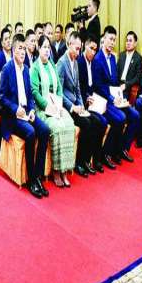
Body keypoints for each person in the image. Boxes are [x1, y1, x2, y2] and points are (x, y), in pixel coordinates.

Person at [0, 34, 51, 198]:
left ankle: (38, 176)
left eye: (24, 48)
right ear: (13, 50)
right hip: (12, 117)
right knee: (30, 132)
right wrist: (16, 109)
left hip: (26, 113)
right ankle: (31, 180)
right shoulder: (7, 69)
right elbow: (2, 98)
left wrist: (32, 109)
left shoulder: (26, 69)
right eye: (19, 48)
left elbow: (30, 96)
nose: (22, 52)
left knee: (45, 130)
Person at [57, 31, 105, 177]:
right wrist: (72, 107)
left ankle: (86, 160)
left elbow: (77, 88)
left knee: (97, 122)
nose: (78, 52)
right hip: (67, 107)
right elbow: (59, 92)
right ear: (69, 45)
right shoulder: (62, 63)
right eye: (76, 49)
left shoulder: (75, 62)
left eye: (80, 49)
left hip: (77, 106)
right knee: (87, 124)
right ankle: (78, 162)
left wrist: (81, 104)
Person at [30, 36, 76, 187]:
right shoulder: (35, 68)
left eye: (48, 47)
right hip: (42, 109)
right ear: (38, 48)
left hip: (56, 106)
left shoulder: (52, 65)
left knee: (69, 123)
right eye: (44, 47)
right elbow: (35, 92)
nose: (46, 50)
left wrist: (59, 105)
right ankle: (56, 171)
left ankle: (65, 170)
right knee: (57, 128)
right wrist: (48, 106)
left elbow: (59, 88)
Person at [93, 26, 140, 164]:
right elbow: (99, 87)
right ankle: (107, 153)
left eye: (114, 40)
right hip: (103, 100)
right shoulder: (97, 59)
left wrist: (120, 97)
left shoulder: (113, 58)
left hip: (114, 99)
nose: (112, 42)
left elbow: (115, 82)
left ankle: (122, 149)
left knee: (135, 115)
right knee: (120, 118)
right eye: (110, 39)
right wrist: (112, 99)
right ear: (104, 39)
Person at [78, 35, 118, 171]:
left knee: (103, 122)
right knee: (95, 123)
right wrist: (86, 98)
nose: (93, 52)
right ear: (85, 46)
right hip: (82, 103)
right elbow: (78, 88)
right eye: (91, 48)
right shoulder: (80, 62)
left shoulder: (93, 62)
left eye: (95, 49)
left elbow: (95, 86)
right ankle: (83, 161)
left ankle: (96, 159)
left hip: (93, 102)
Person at [117, 31, 142, 99]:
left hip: (129, 87)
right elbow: (116, 71)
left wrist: (126, 85)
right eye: (127, 40)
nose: (128, 43)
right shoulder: (122, 55)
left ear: (135, 43)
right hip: (118, 84)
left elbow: (138, 78)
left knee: (119, 100)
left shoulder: (138, 58)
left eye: (130, 41)